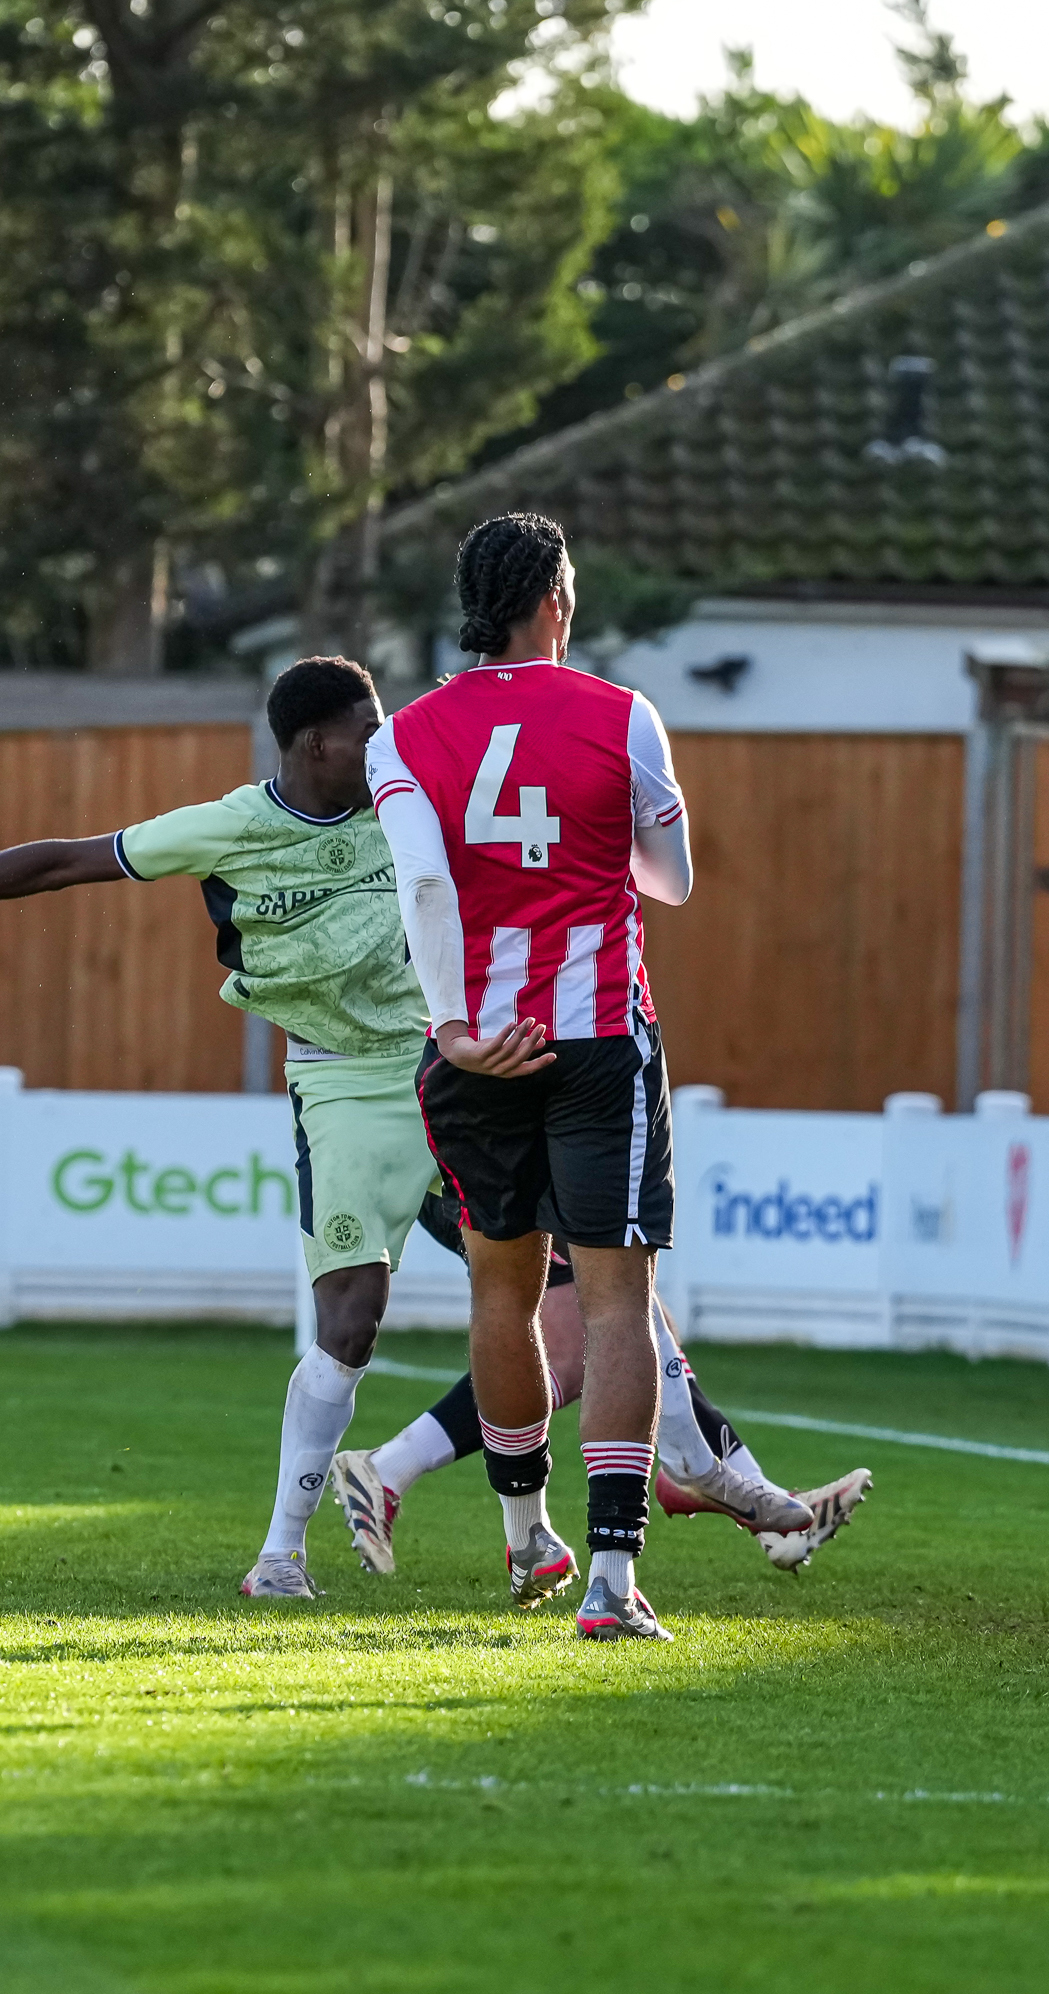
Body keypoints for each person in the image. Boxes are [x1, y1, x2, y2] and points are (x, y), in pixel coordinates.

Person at [0, 656, 435, 1601]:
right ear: (316, 744)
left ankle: (575, 1531)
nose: (385, 745)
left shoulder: (405, 804)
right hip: (342, 1083)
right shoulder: (232, 827)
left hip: (446, 1065)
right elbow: (62, 862)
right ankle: (281, 1555)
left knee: (554, 1289)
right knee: (352, 1320)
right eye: (368, 730)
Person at [367, 510, 693, 1641]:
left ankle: (524, 1537)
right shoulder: (623, 713)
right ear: (556, 598)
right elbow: (671, 879)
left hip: (477, 1049)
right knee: (616, 1304)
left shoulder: (403, 735)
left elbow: (423, 887)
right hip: (598, 1038)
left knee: (500, 1294)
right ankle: (610, 1581)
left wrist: (455, 1028)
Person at [325, 1190, 873, 1576]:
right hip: (485, 1152)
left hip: (497, 1149)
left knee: (634, 1315)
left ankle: (743, 1496)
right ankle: (389, 1468)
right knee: (581, 1347)